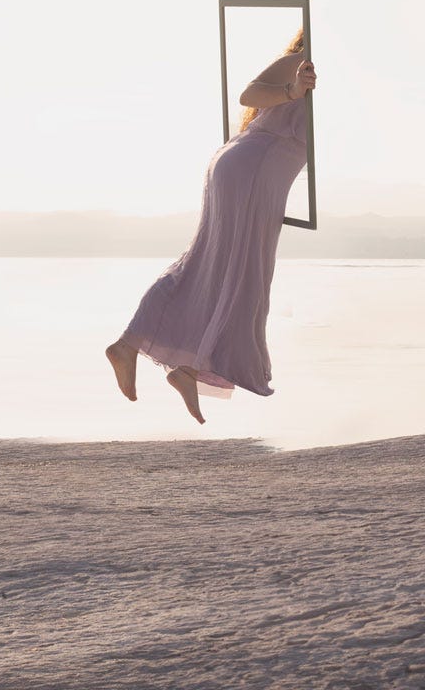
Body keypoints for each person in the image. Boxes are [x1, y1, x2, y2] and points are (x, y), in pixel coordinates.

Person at [105, 28, 316, 424]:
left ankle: (188, 369)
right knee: (231, 274)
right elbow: (250, 95)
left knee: (222, 272)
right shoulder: (304, 57)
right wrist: (292, 90)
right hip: (253, 169)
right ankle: (131, 345)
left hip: (257, 172)